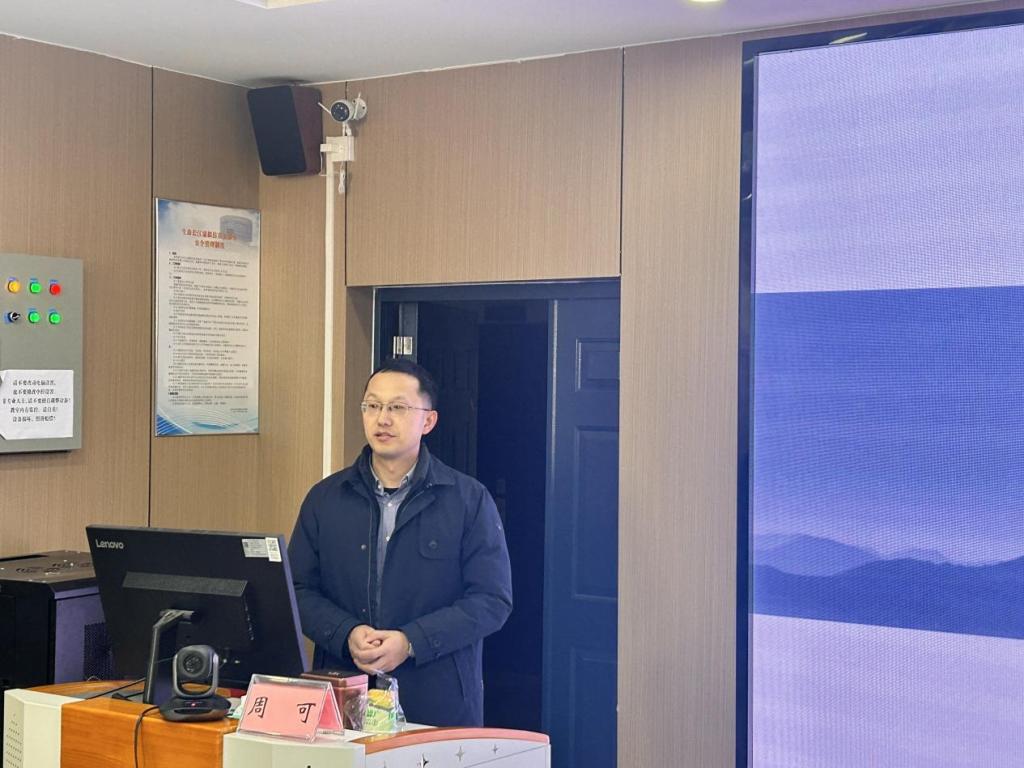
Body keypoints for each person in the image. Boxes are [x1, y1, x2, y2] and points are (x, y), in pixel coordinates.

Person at [288, 358, 513, 726]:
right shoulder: (326, 498)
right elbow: (296, 589)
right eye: (372, 406)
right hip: (343, 690)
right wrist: (346, 633)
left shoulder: (468, 500)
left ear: (429, 421)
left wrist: (410, 641)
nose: (383, 419)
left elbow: (492, 600)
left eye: (397, 407)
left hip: (435, 698)